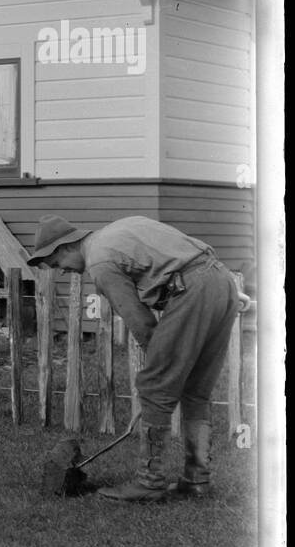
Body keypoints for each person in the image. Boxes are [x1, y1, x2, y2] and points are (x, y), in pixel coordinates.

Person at [26, 215, 244, 503]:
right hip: (221, 281)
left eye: (57, 264)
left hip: (193, 290)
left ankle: (149, 482)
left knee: (155, 387)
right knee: (195, 391)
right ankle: (197, 481)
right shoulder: (119, 228)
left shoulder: (100, 262)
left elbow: (140, 321)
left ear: (64, 247)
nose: (64, 272)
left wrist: (158, 371)